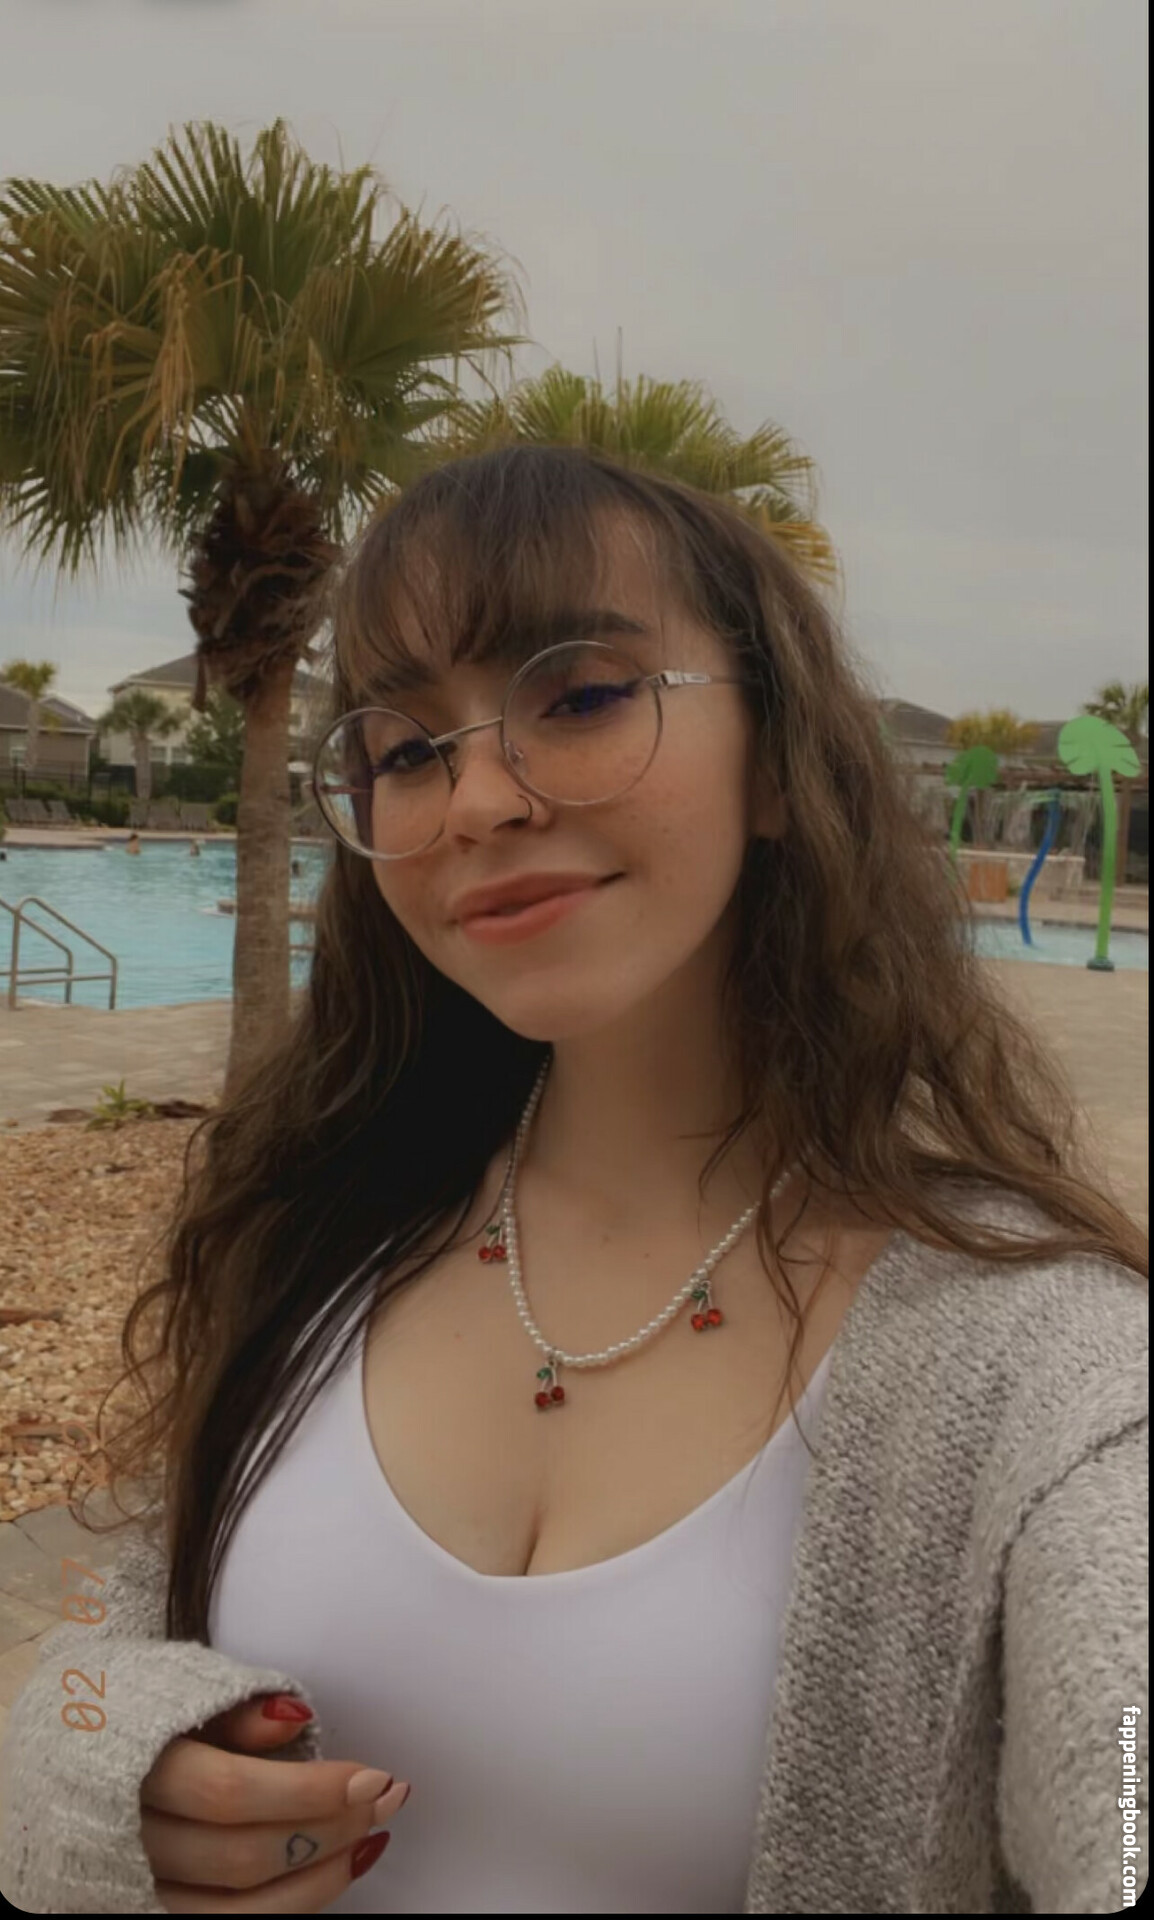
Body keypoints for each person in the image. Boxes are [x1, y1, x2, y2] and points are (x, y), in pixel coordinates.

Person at [0, 446, 1146, 1915]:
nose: (476, 799)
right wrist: (100, 1782)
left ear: (779, 759)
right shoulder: (324, 1221)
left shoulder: (1046, 1374)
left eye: (584, 698)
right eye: (404, 750)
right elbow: (98, 1655)